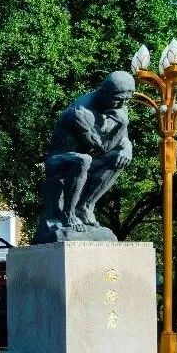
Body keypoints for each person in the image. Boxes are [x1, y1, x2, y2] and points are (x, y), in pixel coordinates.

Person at [33, 71, 135, 243]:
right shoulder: (80, 111)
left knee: (118, 158)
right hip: (59, 161)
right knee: (83, 160)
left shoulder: (118, 108)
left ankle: (85, 206)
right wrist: (122, 125)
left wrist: (128, 149)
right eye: (118, 99)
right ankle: (68, 213)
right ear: (103, 92)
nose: (122, 104)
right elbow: (102, 147)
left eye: (127, 100)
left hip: (87, 159)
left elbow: (123, 141)